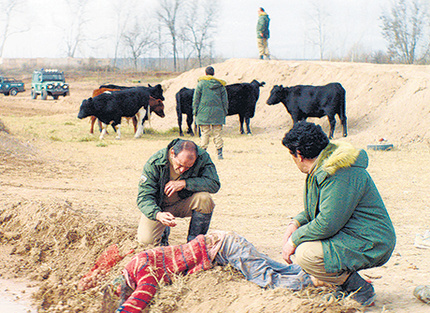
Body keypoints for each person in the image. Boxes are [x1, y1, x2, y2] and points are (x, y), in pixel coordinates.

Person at [280, 121, 396, 306]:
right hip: (355, 234)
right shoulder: (326, 166)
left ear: (299, 155)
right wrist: (296, 223)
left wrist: (293, 240)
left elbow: (327, 223)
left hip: (372, 240)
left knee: (306, 254)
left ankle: (360, 289)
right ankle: (345, 286)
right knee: (308, 246)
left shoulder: (338, 173)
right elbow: (324, 208)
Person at [97, 231, 312, 313]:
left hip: (227, 249)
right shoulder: (135, 263)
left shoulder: (143, 271)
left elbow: (144, 294)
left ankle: (315, 283)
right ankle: (311, 273)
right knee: (277, 267)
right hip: (227, 242)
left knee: (267, 279)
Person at [136, 138, 220, 246]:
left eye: (188, 167)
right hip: (159, 207)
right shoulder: (155, 162)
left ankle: (194, 245)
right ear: (172, 154)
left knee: (205, 199)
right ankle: (163, 235)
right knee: (146, 241)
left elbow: (214, 184)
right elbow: (144, 197)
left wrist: (185, 183)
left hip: (183, 203)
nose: (182, 170)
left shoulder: (202, 157)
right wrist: (157, 214)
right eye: (179, 165)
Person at [192, 66, 229, 160]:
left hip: (203, 113)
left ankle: (202, 153)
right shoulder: (220, 85)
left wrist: (195, 111)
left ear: (205, 73)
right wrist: (225, 111)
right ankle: (220, 154)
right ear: (214, 74)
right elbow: (225, 100)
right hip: (218, 113)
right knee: (217, 134)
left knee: (205, 133)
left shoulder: (201, 84)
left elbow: (196, 99)